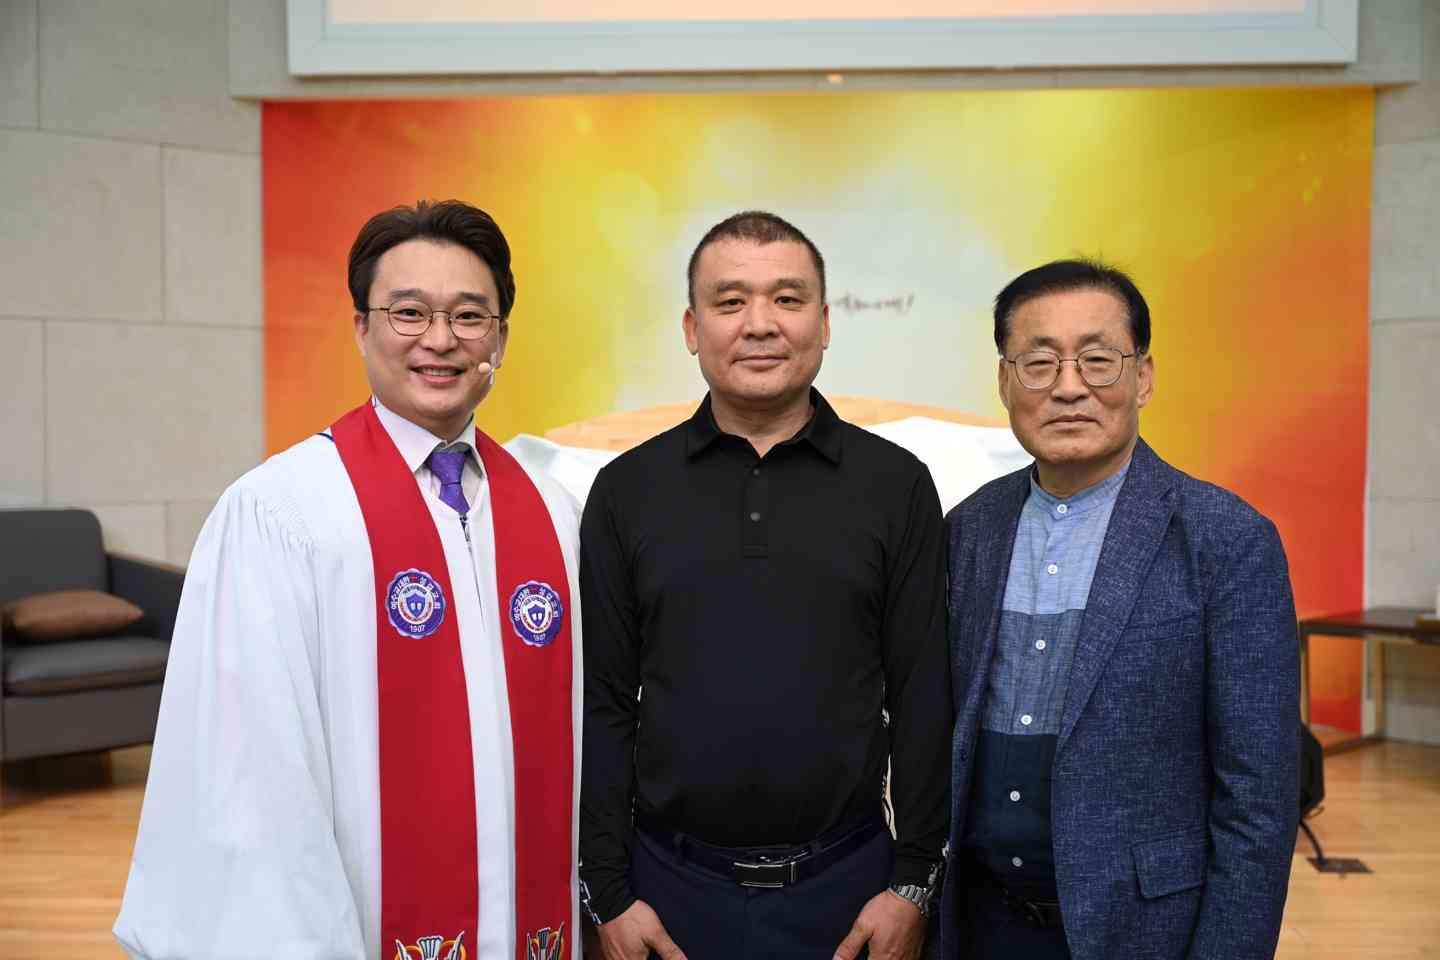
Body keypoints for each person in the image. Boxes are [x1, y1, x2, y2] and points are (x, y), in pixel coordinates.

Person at [114, 200, 582, 960]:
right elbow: (251, 777)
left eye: (470, 316)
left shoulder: (551, 512)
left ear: (499, 337)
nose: (440, 339)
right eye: (409, 312)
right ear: (362, 326)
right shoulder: (282, 512)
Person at [578, 211, 950, 960]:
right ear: (692, 328)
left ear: (824, 322)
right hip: (668, 893)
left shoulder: (896, 486)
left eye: (787, 299)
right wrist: (609, 892)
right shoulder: (626, 491)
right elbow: (605, 702)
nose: (759, 324)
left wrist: (912, 884)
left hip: (850, 892)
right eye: (730, 301)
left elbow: (923, 696)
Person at [938, 259, 1299, 960]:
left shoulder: (1225, 539)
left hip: (1144, 930)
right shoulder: (969, 529)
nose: (1069, 387)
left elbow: (1258, 799)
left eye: (1098, 360)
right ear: (1006, 382)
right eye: (1039, 362)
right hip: (981, 921)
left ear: (1144, 377)